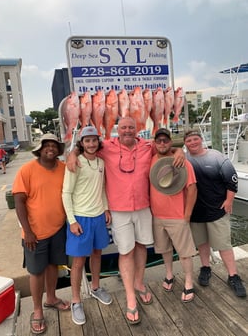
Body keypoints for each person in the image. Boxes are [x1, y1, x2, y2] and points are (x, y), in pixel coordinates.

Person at [67, 117, 185, 324]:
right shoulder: (106, 147)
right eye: (123, 128)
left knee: (141, 246)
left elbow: (166, 147)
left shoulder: (147, 146)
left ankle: (139, 283)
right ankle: (130, 296)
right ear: (117, 130)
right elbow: (86, 147)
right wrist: (72, 153)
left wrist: (179, 151)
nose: (128, 131)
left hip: (143, 206)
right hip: (119, 210)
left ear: (137, 129)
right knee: (125, 251)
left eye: (131, 127)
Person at [12, 133, 70, 335]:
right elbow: (19, 201)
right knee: (36, 272)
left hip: (58, 228)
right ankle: (37, 310)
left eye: (54, 145)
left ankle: (51, 298)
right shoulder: (26, 170)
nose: (51, 148)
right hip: (34, 233)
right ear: (40, 148)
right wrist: (26, 231)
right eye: (47, 145)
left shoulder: (63, 168)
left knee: (54, 265)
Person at [184, 129, 246, 298]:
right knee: (202, 243)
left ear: (201, 140)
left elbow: (231, 180)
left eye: (195, 139)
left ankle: (233, 275)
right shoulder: (184, 159)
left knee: (224, 245)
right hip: (196, 212)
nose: (193, 143)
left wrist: (229, 200)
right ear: (185, 143)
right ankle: (205, 268)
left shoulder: (217, 157)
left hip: (217, 210)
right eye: (189, 141)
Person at [62, 126, 112, 326]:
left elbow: (101, 189)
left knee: (98, 254)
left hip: (99, 216)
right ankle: (76, 300)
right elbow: (66, 193)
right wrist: (72, 221)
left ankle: (96, 287)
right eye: (87, 140)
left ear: (98, 141)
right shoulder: (75, 163)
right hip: (80, 218)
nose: (91, 144)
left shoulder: (101, 162)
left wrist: (106, 208)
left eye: (94, 140)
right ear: (81, 143)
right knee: (78, 262)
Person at [150, 128, 197, 302]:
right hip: (157, 216)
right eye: (159, 141)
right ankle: (169, 275)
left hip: (178, 216)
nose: (162, 143)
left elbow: (192, 188)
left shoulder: (182, 161)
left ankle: (189, 282)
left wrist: (187, 215)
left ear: (171, 142)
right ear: (155, 143)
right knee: (165, 249)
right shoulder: (152, 159)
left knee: (185, 252)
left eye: (165, 140)